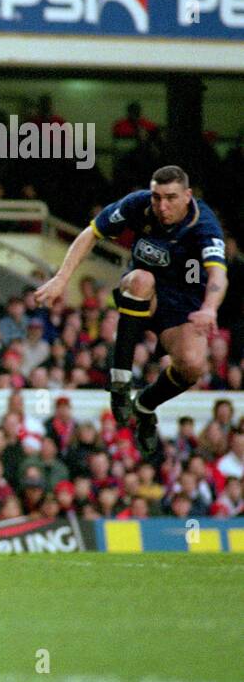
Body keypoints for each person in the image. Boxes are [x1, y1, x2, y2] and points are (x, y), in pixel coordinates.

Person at [33, 165, 227, 460]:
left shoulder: (204, 225)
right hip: (144, 291)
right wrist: (61, 279)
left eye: (171, 198)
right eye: (157, 197)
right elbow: (91, 233)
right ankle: (120, 380)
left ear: (187, 196)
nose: (162, 206)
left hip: (184, 303)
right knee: (141, 278)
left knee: (192, 365)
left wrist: (210, 309)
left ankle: (145, 406)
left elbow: (218, 275)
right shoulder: (137, 204)